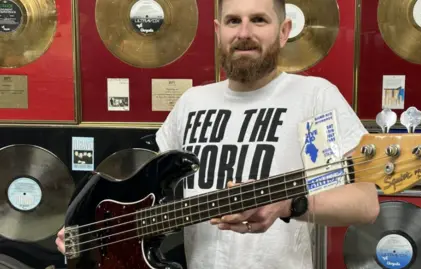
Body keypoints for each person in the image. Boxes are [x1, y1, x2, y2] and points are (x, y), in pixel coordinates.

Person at [56, 0, 380, 268]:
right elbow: (144, 200)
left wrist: (287, 205)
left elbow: (365, 204)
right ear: (217, 31)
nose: (244, 33)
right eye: (233, 21)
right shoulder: (192, 103)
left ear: (283, 32)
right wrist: (93, 233)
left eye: (259, 20)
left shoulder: (314, 98)